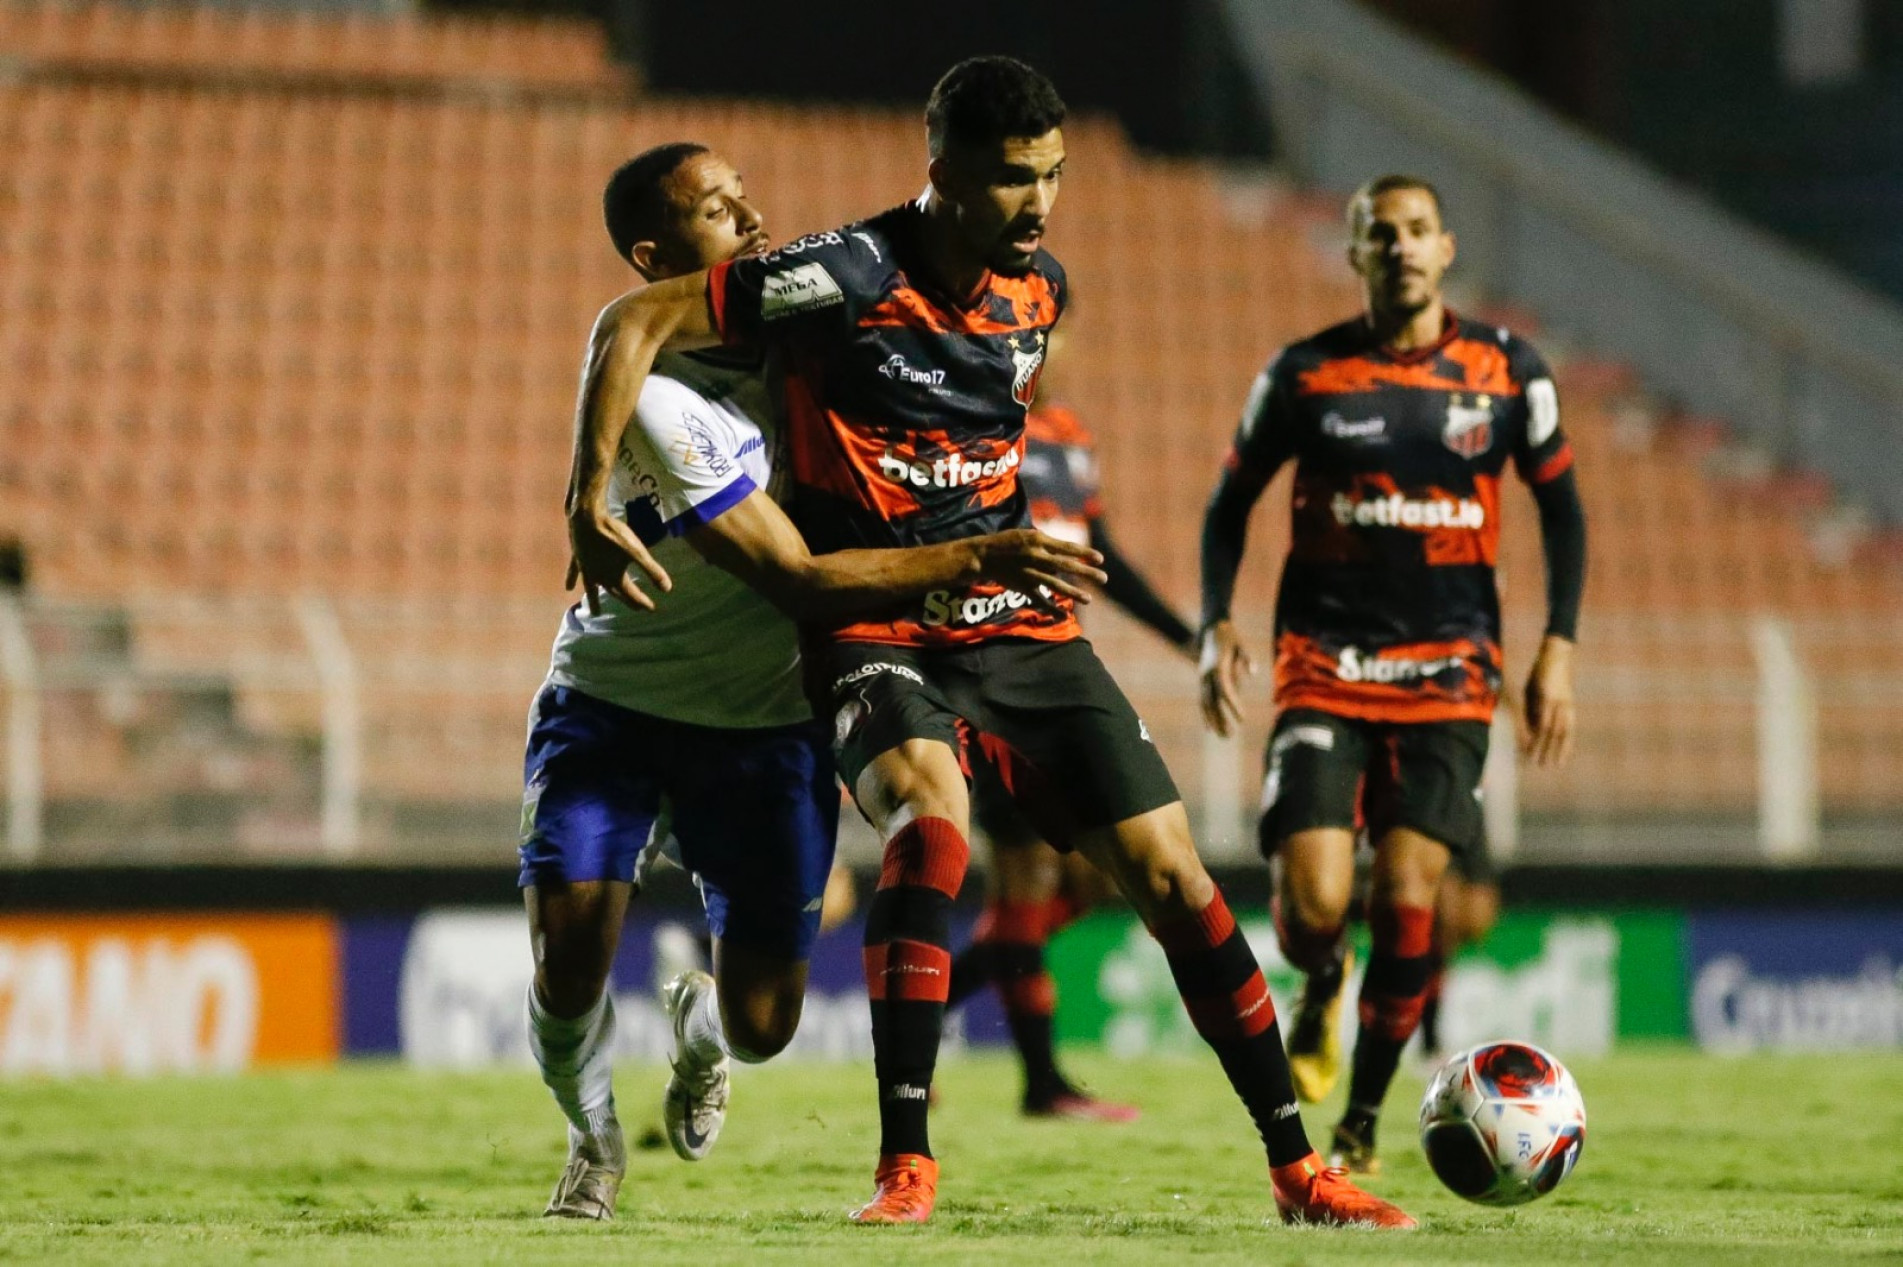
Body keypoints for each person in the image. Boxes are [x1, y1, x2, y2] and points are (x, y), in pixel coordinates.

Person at [568, 57, 1414, 1230]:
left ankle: (1297, 1170)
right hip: (875, 619)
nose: (1039, 204)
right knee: (931, 822)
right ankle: (905, 1165)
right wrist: (589, 498)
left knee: (1174, 874)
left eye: (1053, 176)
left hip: (1017, 620)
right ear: (946, 173)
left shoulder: (1039, 293)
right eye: (1015, 179)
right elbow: (634, 317)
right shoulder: (842, 274)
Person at [524, 141, 1106, 1221]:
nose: (751, 218)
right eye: (715, 209)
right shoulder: (657, 397)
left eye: (746, 194)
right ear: (660, 254)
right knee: (569, 957)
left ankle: (703, 1038)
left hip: (761, 724)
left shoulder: (819, 330)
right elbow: (798, 578)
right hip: (616, 704)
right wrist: (979, 556)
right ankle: (592, 1135)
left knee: (762, 1024)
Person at [1198, 173, 1588, 1175]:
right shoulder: (1304, 374)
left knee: (1412, 885)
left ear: (1445, 248)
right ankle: (1321, 976)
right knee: (1313, 902)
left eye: (1418, 231)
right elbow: (1227, 504)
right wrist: (1213, 626)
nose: (1403, 247)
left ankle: (1363, 1121)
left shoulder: (1507, 371)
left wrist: (1558, 644)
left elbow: (1563, 511)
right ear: (1355, 255)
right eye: (1382, 234)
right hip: (1324, 667)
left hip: (1450, 673)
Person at [945, 318, 1198, 1122]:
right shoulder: (969, 427)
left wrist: (1187, 633)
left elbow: (1103, 556)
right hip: (990, 672)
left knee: (1091, 881)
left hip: (1060, 670)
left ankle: (913, 1004)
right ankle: (1042, 1084)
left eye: (1051, 336)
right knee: (1022, 879)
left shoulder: (1068, 434)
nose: (1040, 351)